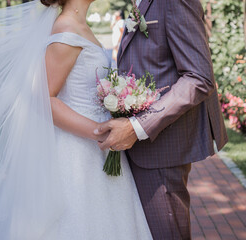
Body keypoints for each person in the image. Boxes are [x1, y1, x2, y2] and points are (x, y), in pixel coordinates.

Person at [0, 0, 152, 239]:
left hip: (94, 151)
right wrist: (99, 130)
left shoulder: (77, 25)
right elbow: (45, 99)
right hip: (77, 154)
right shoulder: (66, 30)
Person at [94, 0, 228, 239]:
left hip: (162, 149)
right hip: (138, 149)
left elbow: (199, 77)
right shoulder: (138, 3)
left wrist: (137, 126)